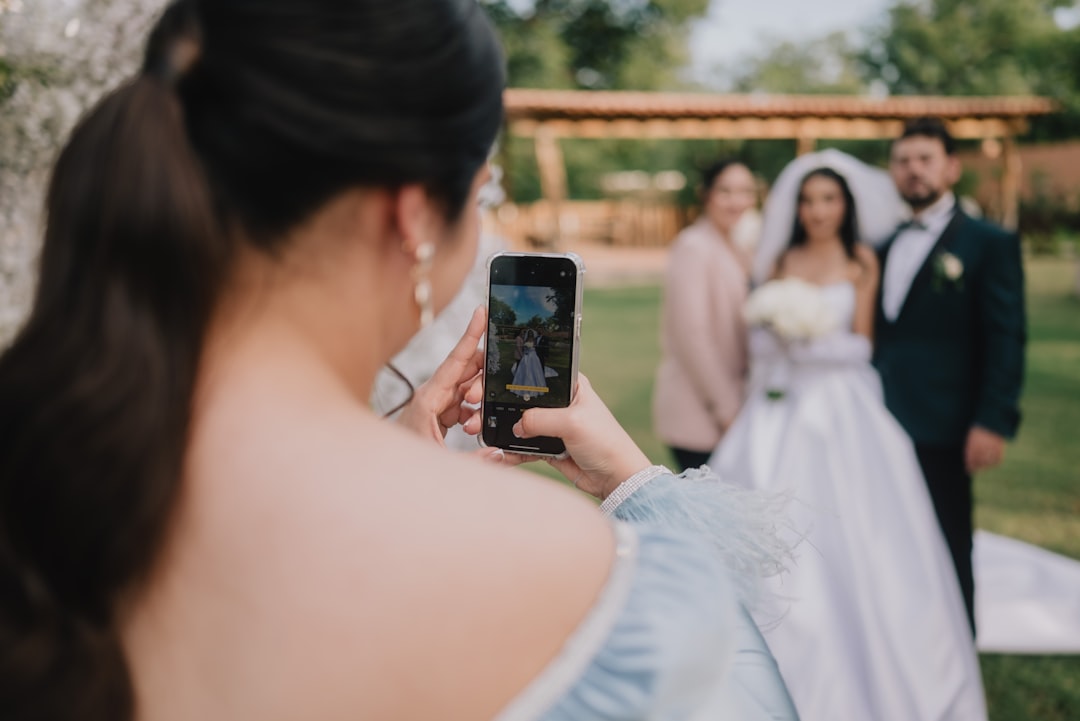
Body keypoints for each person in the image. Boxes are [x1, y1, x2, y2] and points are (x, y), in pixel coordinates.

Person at [0, 2, 799, 719]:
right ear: (413, 214)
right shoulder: (563, 570)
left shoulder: (44, 469)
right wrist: (635, 486)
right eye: (480, 198)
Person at [709, 165, 987, 720]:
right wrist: (779, 339)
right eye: (809, 200)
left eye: (829, 199)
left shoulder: (863, 261)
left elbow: (861, 345)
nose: (817, 211)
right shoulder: (782, 262)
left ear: (845, 204)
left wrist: (809, 340)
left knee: (860, 530)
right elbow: (760, 350)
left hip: (843, 408)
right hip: (781, 410)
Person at [875, 117, 1027, 633]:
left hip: (948, 422)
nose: (913, 171)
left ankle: (960, 640)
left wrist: (993, 421)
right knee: (890, 537)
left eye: (925, 160)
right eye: (903, 161)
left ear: (952, 167)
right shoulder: (882, 243)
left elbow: (1006, 337)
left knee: (948, 537)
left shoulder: (988, 242)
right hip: (878, 421)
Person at [653, 159, 757, 472]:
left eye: (744, 191)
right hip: (699, 412)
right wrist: (726, 411)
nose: (736, 201)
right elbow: (692, 334)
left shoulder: (738, 246)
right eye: (725, 191)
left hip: (736, 402)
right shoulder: (694, 246)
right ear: (706, 194)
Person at [511, 328, 547, 400]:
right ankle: (520, 389)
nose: (530, 334)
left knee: (534, 372)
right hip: (526, 356)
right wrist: (525, 350)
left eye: (531, 333)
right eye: (529, 333)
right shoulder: (525, 339)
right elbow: (523, 347)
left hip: (533, 357)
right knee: (523, 372)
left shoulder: (535, 340)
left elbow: (536, 347)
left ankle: (535, 389)